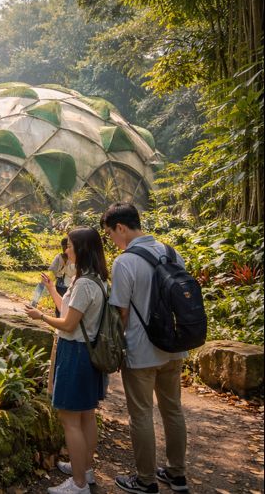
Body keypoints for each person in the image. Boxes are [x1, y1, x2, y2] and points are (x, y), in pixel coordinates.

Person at [101, 203, 189, 494]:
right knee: (173, 410)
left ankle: (146, 479)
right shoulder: (173, 252)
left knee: (141, 414)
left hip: (141, 350)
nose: (112, 240)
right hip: (175, 347)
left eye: (111, 234)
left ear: (121, 228)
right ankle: (177, 475)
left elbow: (121, 312)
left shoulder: (125, 262)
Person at [24, 227, 108, 494]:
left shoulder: (83, 283)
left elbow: (69, 324)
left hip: (75, 354)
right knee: (86, 415)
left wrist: (41, 317)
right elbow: (71, 311)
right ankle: (85, 468)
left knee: (69, 419)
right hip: (88, 352)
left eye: (70, 246)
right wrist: (51, 289)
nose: (66, 250)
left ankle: (79, 484)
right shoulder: (95, 280)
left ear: (81, 249)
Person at [49, 237, 76, 316]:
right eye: (63, 246)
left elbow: (74, 272)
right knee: (59, 305)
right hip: (60, 284)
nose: (64, 249)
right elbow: (53, 270)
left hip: (70, 285)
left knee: (69, 305)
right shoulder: (59, 257)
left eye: (67, 246)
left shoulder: (74, 258)